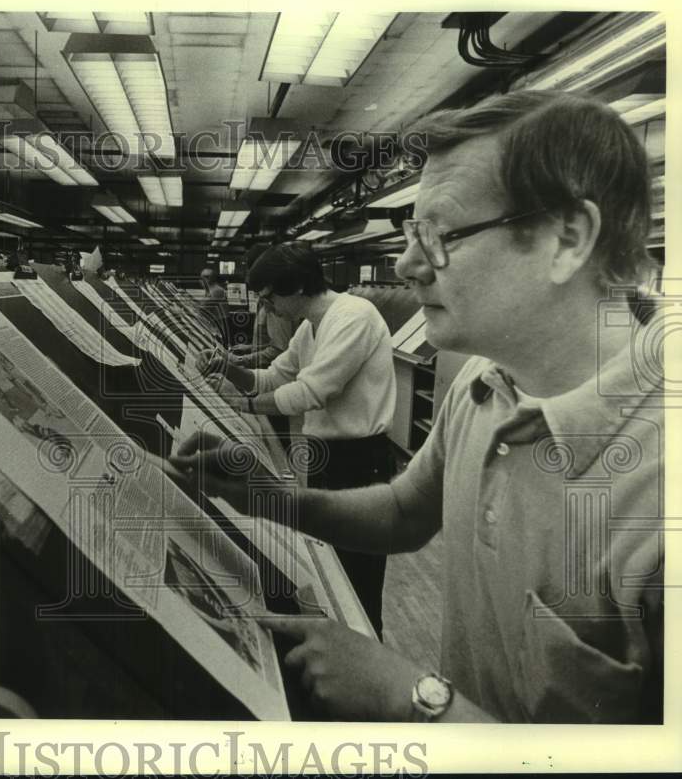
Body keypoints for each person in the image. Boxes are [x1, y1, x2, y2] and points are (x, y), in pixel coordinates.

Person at [171, 90, 664, 723]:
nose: (406, 264)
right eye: (411, 233)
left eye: (438, 236)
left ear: (566, 239)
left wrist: (409, 699)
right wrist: (270, 496)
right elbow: (407, 511)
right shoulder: (484, 384)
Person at [195, 241, 397, 636]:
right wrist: (230, 368)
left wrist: (245, 407)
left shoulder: (353, 316)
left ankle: (367, 659)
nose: (268, 309)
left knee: (359, 580)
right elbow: (275, 376)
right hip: (331, 458)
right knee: (337, 574)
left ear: (299, 287)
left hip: (361, 461)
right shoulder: (310, 327)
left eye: (270, 299)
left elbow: (312, 392)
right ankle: (348, 650)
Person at [227, 243, 296, 370]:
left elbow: (280, 349)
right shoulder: (265, 300)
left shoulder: (275, 304)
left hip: (271, 373)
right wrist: (250, 347)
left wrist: (241, 360)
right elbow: (270, 340)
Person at [198, 265, 230, 343]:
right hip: (216, 328)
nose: (200, 281)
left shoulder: (216, 291)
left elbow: (202, 308)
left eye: (202, 279)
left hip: (218, 331)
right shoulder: (212, 290)